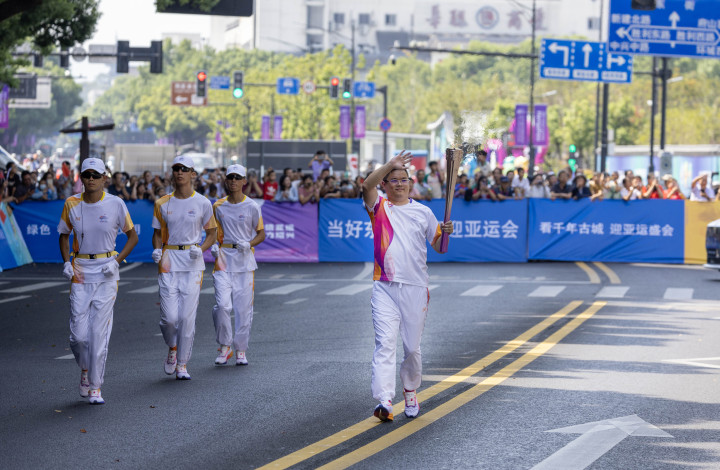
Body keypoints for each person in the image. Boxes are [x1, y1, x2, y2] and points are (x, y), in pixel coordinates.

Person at [361, 150, 453, 421]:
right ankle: (385, 400)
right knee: (385, 343)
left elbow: (439, 248)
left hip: (415, 286)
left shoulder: (423, 212)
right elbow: (366, 185)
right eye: (394, 180)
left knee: (412, 347)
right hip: (385, 286)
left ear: (410, 183)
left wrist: (445, 233)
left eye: (404, 179)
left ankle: (410, 391)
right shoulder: (379, 208)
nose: (400, 183)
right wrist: (390, 164)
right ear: (385, 185)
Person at [58, 158, 139, 404]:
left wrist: (116, 261)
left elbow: (132, 236)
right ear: (81, 178)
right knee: (78, 337)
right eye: (86, 175)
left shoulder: (116, 204)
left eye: (95, 175)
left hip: (106, 269)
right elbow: (63, 234)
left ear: (105, 178)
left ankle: (95, 385)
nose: (90, 179)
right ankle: (85, 368)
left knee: (97, 331)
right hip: (81, 269)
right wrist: (66, 262)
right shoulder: (71, 203)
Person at [151, 155, 217, 380]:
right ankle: (172, 346)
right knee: (169, 318)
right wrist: (158, 250)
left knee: (187, 317)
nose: (179, 172)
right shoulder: (162, 203)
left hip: (192, 259)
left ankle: (182, 363)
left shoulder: (203, 203)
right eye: (176, 169)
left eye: (184, 169)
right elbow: (157, 234)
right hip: (169, 259)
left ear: (193, 174)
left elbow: (212, 233)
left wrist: (202, 248)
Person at [210, 165, 266, 366]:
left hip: (244, 261)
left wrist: (249, 244)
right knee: (223, 305)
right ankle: (225, 347)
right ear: (226, 180)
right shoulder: (218, 206)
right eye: (230, 177)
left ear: (244, 181)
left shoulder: (252, 206)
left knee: (243, 308)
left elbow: (261, 233)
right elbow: (212, 232)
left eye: (237, 177)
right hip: (223, 259)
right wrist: (214, 246)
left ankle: (240, 349)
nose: (233, 180)